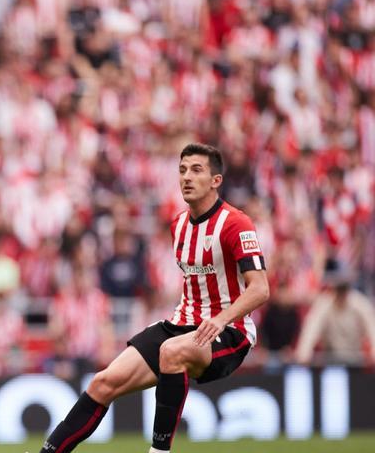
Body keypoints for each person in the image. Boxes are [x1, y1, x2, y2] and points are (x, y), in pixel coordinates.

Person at [40, 143, 270, 453]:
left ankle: (159, 451)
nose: (186, 177)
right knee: (102, 383)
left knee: (172, 353)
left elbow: (260, 288)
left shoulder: (235, 223)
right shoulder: (178, 225)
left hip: (229, 333)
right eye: (182, 170)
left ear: (216, 180)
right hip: (182, 323)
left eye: (196, 170)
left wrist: (219, 319)